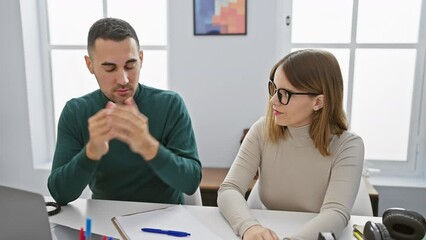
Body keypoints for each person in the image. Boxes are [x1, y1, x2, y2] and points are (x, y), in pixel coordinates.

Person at [48, 17, 201, 206]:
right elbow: (60, 194)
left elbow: (191, 183)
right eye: (109, 68)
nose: (123, 79)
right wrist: (91, 152)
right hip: (104, 222)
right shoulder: (76, 112)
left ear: (141, 59)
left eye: (130, 65)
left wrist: (147, 146)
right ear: (90, 65)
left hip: (165, 219)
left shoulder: (170, 104)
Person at [217, 49, 364, 240]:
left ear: (318, 102)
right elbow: (229, 189)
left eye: (284, 93)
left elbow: (335, 213)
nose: (273, 101)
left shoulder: (348, 145)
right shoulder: (262, 129)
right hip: (270, 228)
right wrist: (249, 227)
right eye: (274, 89)